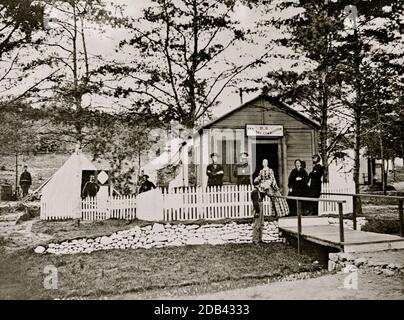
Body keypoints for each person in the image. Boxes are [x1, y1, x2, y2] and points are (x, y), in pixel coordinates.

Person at [252, 177, 265, 244]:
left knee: (261, 223)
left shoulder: (258, 191)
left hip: (260, 206)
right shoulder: (254, 191)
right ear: (258, 184)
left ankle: (260, 238)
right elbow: (255, 202)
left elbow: (262, 196)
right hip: (258, 207)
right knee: (257, 223)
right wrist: (257, 211)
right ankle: (255, 239)